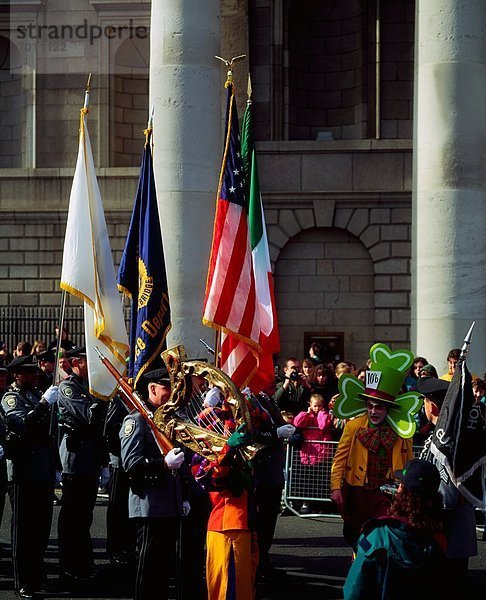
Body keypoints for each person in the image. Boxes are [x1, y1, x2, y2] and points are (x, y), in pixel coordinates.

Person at [330, 343, 419, 550]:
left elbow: (408, 462)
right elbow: (340, 458)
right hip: (358, 491)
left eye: (379, 406)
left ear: (388, 408)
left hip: (386, 495)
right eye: (369, 406)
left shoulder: (401, 430)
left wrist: (405, 488)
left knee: (384, 539)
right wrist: (335, 487)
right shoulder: (353, 426)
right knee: (355, 536)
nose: (373, 411)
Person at [120, 367, 187, 600]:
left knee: (162, 568)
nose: (171, 392)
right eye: (166, 387)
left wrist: (184, 495)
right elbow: (131, 463)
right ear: (152, 388)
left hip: (170, 502)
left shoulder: (168, 420)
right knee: (148, 567)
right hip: (149, 503)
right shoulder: (136, 420)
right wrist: (162, 464)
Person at [343, 459, 447, 599]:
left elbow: (354, 591)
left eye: (400, 485)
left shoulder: (377, 535)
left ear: (402, 491)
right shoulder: (439, 541)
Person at [1, 355, 58, 599]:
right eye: (29, 373)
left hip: (42, 470)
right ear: (17, 375)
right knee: (23, 531)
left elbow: (49, 433)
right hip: (24, 472)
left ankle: (37, 575)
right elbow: (22, 424)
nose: (35, 376)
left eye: (35, 372)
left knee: (41, 528)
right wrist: (45, 403)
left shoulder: (34, 395)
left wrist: (55, 465)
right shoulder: (11, 398)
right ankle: (23, 581)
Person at [416, 375, 478, 586]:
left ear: (432, 406)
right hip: (456, 531)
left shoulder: (444, 444)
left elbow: (445, 497)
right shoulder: (453, 437)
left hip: (446, 532)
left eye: (423, 401)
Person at [57, 346, 109, 587]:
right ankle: (69, 565)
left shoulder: (89, 387)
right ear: (76, 362)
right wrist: (101, 398)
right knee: (72, 517)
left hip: (90, 460)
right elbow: (87, 416)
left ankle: (83, 562)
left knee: (84, 516)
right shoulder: (69, 387)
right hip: (75, 461)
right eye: (90, 360)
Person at [294, 393, 333, 515]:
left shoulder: (325, 415)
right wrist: (307, 413)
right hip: (307, 454)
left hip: (321, 455)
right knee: (307, 481)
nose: (317, 408)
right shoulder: (307, 415)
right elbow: (297, 423)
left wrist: (321, 413)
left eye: (320, 406)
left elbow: (323, 425)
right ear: (310, 405)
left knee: (321, 481)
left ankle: (320, 505)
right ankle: (306, 503)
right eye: (315, 406)